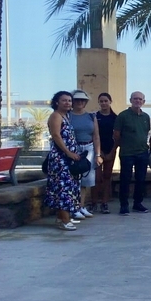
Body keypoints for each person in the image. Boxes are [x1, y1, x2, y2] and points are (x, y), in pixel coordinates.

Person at [44, 91, 82, 231]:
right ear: (56, 102)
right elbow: (56, 135)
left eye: (69, 100)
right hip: (60, 158)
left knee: (69, 187)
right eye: (64, 100)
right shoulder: (56, 116)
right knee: (63, 188)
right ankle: (65, 220)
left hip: (68, 158)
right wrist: (68, 152)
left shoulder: (65, 116)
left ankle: (62, 218)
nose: (67, 103)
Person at [113, 91, 151, 215]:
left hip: (142, 152)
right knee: (125, 179)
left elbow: (145, 133)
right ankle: (124, 205)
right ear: (131, 100)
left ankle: (137, 203)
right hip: (127, 153)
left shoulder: (146, 117)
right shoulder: (123, 116)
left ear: (143, 102)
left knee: (141, 179)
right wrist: (125, 145)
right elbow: (116, 134)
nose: (137, 101)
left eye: (140, 99)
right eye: (135, 98)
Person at [69, 89, 102, 220]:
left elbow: (96, 136)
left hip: (89, 148)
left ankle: (81, 206)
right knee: (73, 180)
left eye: (82, 100)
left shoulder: (91, 116)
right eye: (77, 100)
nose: (80, 102)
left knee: (86, 180)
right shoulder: (67, 116)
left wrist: (98, 154)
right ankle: (73, 207)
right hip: (73, 148)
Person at [92, 92, 117, 214]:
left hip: (110, 151)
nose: (103, 103)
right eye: (101, 101)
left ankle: (104, 203)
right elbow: (93, 135)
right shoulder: (95, 116)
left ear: (110, 102)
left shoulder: (115, 118)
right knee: (96, 179)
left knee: (107, 177)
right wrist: (99, 151)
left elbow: (117, 137)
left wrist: (112, 151)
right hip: (97, 151)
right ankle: (93, 203)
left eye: (106, 101)